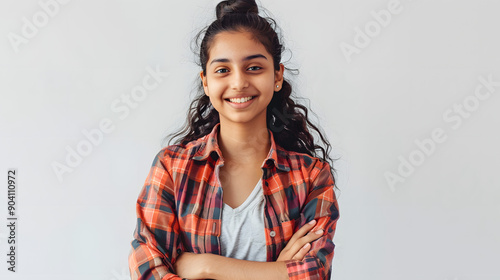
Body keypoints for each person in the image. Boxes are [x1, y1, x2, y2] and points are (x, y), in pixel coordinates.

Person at [128, 0, 340, 279]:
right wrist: (277, 272)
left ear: (277, 76)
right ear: (206, 82)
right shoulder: (172, 168)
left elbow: (314, 274)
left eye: (254, 68)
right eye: (222, 70)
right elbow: (147, 270)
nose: (239, 82)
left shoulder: (312, 177)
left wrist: (205, 266)